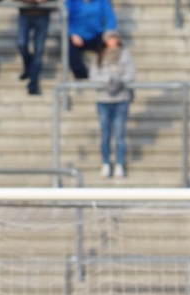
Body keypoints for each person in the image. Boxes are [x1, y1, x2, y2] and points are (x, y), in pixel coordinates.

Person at [90, 29, 134, 178]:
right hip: (103, 99)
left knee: (120, 134)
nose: (112, 41)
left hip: (121, 99)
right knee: (105, 134)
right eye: (110, 38)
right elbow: (93, 76)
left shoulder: (125, 55)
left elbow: (130, 74)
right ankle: (106, 163)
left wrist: (119, 81)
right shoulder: (99, 56)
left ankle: (120, 164)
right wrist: (107, 80)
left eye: (115, 38)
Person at [67, 0, 117, 80]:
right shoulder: (72, 1)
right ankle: (81, 76)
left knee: (110, 42)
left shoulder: (102, 1)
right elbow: (65, 19)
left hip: (96, 35)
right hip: (77, 36)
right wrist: (73, 34)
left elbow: (110, 17)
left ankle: (104, 74)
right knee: (68, 46)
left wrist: (108, 34)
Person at [17, 0, 52, 96]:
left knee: (39, 51)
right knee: (22, 44)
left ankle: (33, 84)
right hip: (25, 13)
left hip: (42, 15)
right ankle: (29, 68)